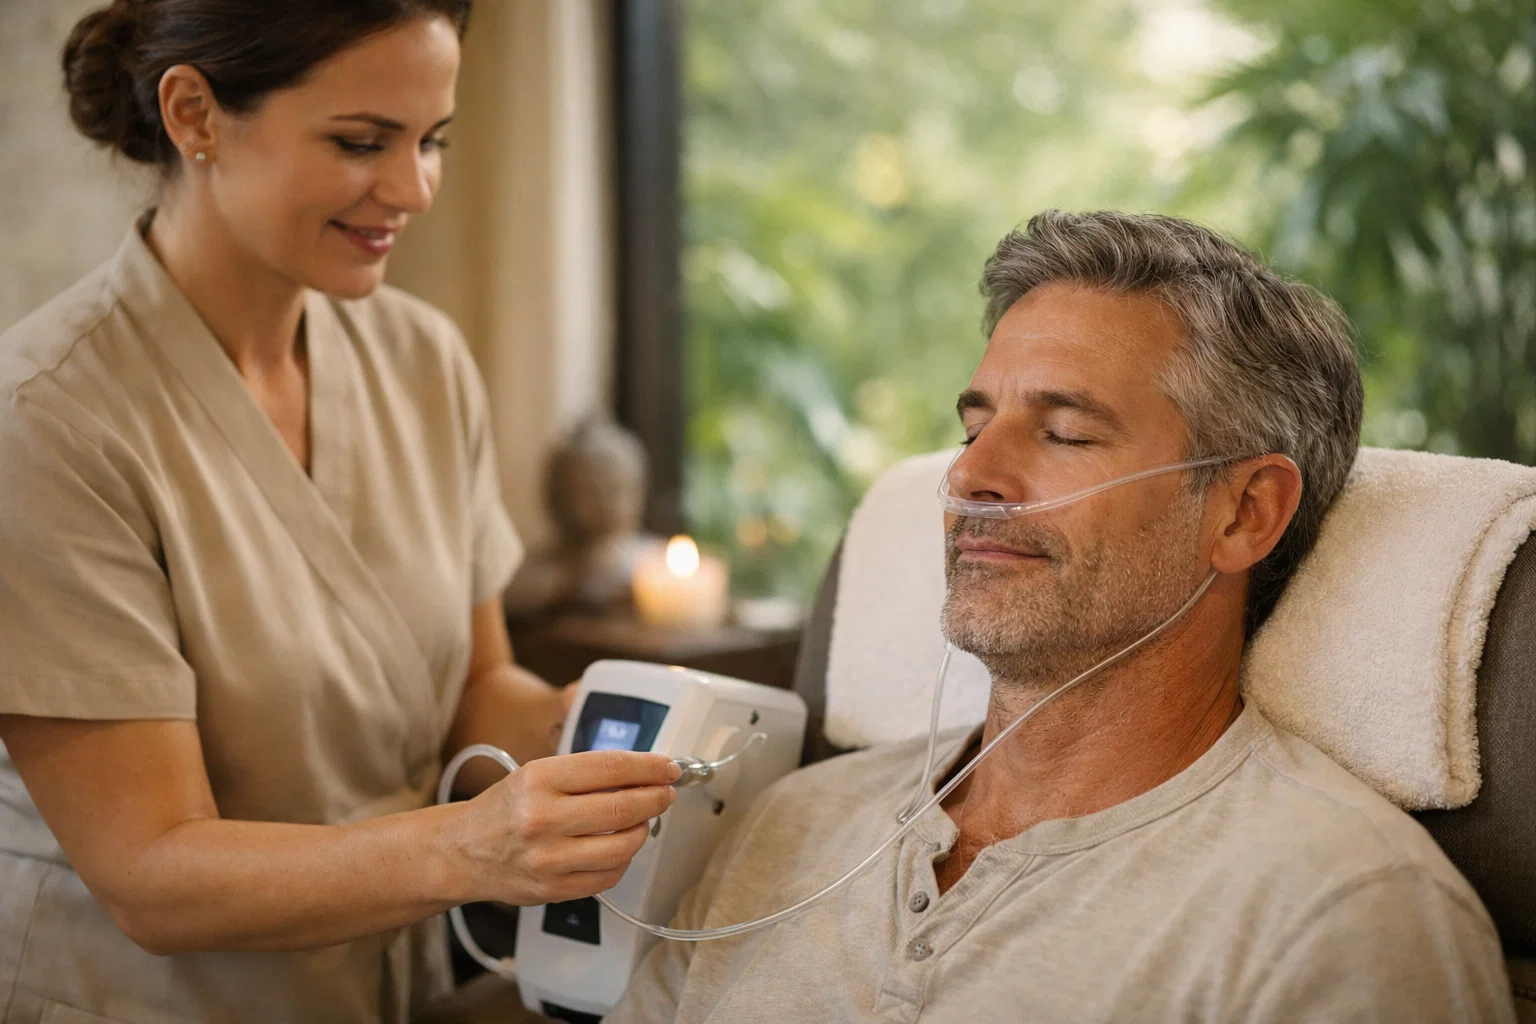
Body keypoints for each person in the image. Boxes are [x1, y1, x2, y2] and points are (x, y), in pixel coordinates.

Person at [607, 211, 1516, 1023]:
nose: (968, 477)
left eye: (1067, 434)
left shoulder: (1345, 915)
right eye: (973, 427)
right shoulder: (791, 827)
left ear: (1243, 514)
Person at [0, 3, 679, 1022]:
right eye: (362, 141)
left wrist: (601, 730)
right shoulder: (48, 420)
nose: (412, 189)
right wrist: (472, 848)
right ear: (196, 114)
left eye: (432, 140)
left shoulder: (421, 361)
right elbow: (150, 869)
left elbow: (475, 686)